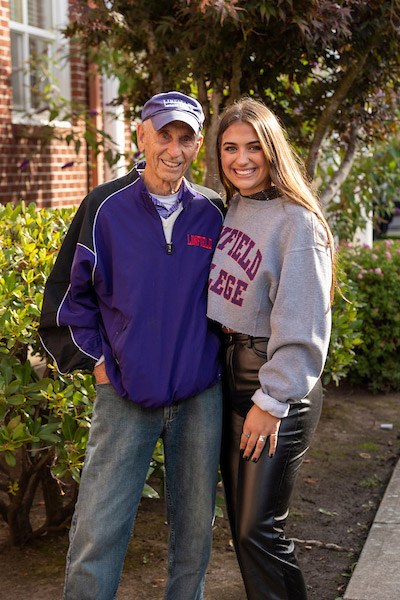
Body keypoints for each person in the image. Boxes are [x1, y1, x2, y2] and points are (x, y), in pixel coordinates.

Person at [39, 91, 225, 600]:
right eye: (163, 134)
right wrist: (100, 366)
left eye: (185, 137)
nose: (174, 148)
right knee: (99, 530)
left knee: (194, 535)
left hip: (198, 397)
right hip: (124, 396)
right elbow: (66, 302)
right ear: (140, 135)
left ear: (196, 144)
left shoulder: (213, 211)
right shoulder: (104, 207)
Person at [207, 97, 334, 600]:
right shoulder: (232, 207)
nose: (242, 159)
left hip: (273, 381)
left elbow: (303, 325)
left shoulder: (297, 223)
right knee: (243, 530)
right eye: (230, 147)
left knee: (259, 529)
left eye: (254, 147)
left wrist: (272, 401)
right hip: (226, 371)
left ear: (273, 150)